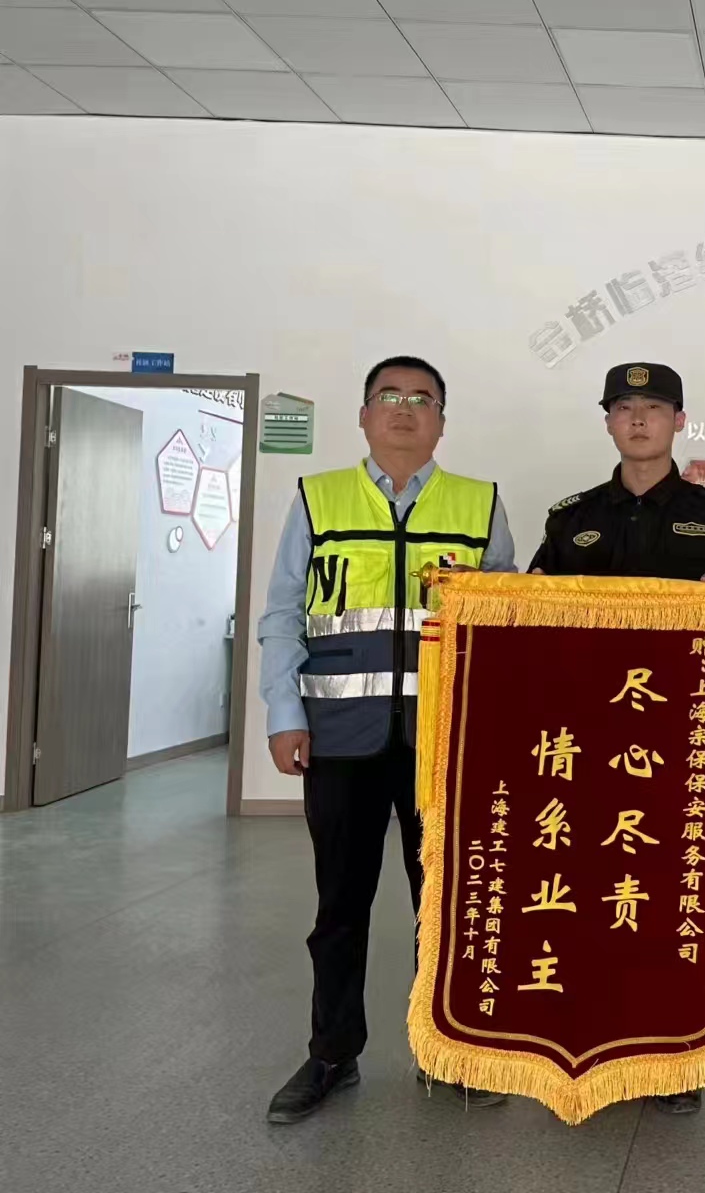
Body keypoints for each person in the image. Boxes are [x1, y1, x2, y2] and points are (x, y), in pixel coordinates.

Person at [260, 356, 516, 1124]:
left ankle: (448, 1050)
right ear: (365, 415)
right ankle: (332, 1053)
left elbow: (507, 622)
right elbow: (283, 614)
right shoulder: (319, 498)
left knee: (446, 906)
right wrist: (283, 712)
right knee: (340, 906)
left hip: (446, 745)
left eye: (422, 399)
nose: (405, 408)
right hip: (340, 739)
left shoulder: (479, 503)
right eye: (389, 396)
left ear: (442, 420)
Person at [529, 360, 705, 1113]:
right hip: (586, 743)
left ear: (679, 422)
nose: (638, 419)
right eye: (624, 407)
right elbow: (524, 616)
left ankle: (670, 1057)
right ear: (607, 420)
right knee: (585, 891)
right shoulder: (570, 518)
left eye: (654, 407)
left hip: (679, 744)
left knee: (669, 896)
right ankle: (587, 1036)